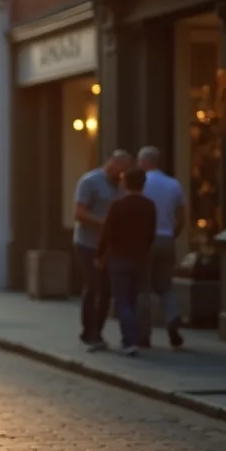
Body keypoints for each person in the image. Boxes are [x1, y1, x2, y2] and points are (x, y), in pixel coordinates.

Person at [73, 150, 133, 351]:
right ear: (112, 163)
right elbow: (79, 213)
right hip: (88, 244)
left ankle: (98, 331)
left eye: (126, 171)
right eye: (121, 169)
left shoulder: (121, 187)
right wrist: (104, 224)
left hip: (110, 247)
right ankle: (88, 332)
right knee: (92, 287)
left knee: (107, 290)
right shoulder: (89, 181)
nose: (123, 174)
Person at [97, 168, 158, 356]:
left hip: (119, 257)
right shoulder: (149, 205)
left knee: (121, 299)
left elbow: (107, 233)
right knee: (132, 298)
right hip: (140, 257)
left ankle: (130, 340)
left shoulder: (118, 205)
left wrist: (99, 255)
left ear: (125, 183)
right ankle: (132, 338)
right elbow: (151, 232)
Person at [138, 146, 186, 349]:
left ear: (145, 162)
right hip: (167, 239)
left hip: (145, 240)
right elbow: (182, 215)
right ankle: (172, 319)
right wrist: (173, 234)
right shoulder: (174, 184)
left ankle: (143, 334)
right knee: (166, 286)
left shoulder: (140, 184)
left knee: (142, 288)